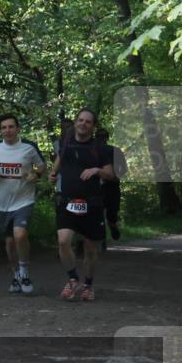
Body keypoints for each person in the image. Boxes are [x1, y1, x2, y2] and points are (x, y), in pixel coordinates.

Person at [48, 108, 115, 302]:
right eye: (80, 120)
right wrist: (53, 175)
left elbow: (110, 175)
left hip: (92, 204)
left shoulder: (101, 148)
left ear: (93, 126)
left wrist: (96, 170)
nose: (83, 124)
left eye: (88, 121)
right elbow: (58, 162)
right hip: (67, 201)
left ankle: (88, 284)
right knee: (63, 241)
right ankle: (73, 279)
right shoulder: (66, 143)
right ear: (76, 122)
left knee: (90, 250)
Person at [0, 114, 47, 294]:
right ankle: (16, 275)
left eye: (11, 127)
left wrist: (36, 175)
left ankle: (25, 272)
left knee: (20, 235)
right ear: (0, 130)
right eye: (4, 127)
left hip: (24, 200)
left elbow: (42, 166)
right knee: (10, 243)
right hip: (2, 203)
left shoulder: (29, 147)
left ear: (18, 129)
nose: (7, 130)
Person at [95, 128, 126, 241]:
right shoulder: (91, 151)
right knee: (96, 211)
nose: (101, 139)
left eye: (103, 136)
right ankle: (99, 232)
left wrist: (115, 177)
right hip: (97, 186)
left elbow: (124, 168)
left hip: (111, 185)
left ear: (107, 138)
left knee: (111, 213)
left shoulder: (115, 150)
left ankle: (112, 226)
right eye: (100, 136)